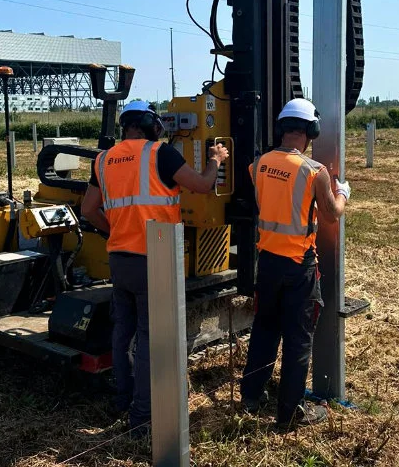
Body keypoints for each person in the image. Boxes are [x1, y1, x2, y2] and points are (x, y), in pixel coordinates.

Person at [81, 100, 229, 436]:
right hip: (155, 258)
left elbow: (88, 208)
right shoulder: (160, 154)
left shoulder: (102, 160)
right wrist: (215, 160)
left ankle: (123, 398)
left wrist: (114, 230)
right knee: (149, 338)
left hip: (119, 258)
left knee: (123, 332)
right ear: (151, 125)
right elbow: (204, 186)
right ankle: (142, 418)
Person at [240, 98, 350, 430]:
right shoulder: (313, 171)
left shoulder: (257, 165)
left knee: (264, 331)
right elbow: (331, 215)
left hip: (268, 264)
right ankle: (290, 414)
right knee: (299, 339)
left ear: (283, 128)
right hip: (299, 268)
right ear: (310, 131)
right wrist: (342, 191)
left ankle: (251, 398)